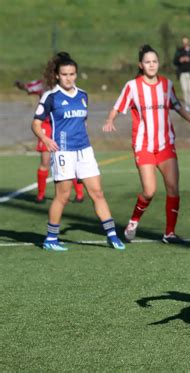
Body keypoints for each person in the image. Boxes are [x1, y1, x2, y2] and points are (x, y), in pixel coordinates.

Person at [103, 44, 190, 243]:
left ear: (158, 63)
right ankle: (134, 221)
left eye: (154, 61)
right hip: (143, 145)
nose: (151, 65)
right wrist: (110, 120)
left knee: (173, 188)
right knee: (149, 190)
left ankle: (169, 233)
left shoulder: (167, 85)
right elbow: (117, 107)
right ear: (141, 65)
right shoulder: (132, 86)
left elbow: (179, 108)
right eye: (147, 62)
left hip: (165, 145)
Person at [31, 52, 125, 251]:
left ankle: (112, 235)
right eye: (64, 74)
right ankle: (50, 239)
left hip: (85, 151)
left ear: (76, 74)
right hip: (63, 151)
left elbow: (81, 122)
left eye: (72, 74)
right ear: (57, 75)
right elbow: (36, 124)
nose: (68, 78)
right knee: (63, 197)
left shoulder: (83, 95)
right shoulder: (51, 96)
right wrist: (46, 139)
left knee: (97, 192)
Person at [15, 74, 84, 203]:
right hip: (46, 126)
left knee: (70, 160)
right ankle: (41, 195)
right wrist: (21, 85)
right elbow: (28, 87)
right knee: (45, 161)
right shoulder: (42, 84)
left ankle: (79, 193)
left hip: (63, 125)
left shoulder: (68, 86)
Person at [173, 36, 190, 113]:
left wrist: (189, 59)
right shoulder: (179, 51)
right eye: (184, 42)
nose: (185, 44)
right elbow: (174, 61)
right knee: (185, 90)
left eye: (186, 42)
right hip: (182, 73)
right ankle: (187, 105)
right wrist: (180, 60)